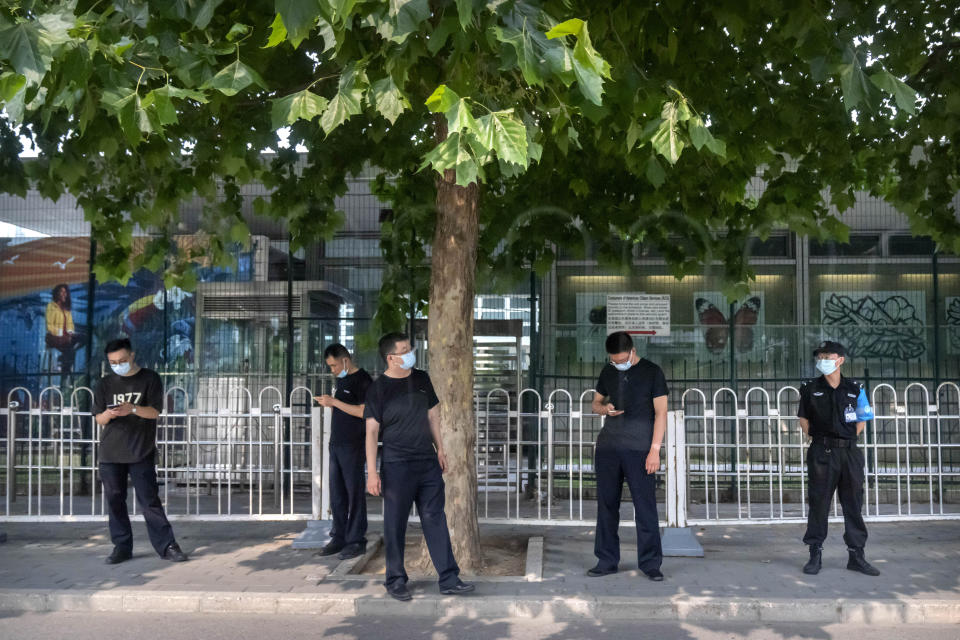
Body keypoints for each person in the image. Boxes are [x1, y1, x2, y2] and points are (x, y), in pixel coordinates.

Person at [363, 332, 475, 601]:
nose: (410, 353)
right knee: (395, 524)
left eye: (410, 348)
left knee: (435, 518)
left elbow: (433, 415)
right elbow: (371, 432)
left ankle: (449, 578)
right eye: (404, 350)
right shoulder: (378, 389)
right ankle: (396, 580)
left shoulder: (422, 378)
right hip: (396, 465)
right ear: (391, 358)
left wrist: (441, 449)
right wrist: (372, 472)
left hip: (427, 462)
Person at [92, 338, 187, 564]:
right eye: (113, 362)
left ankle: (167, 546)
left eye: (122, 360)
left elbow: (154, 412)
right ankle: (121, 547)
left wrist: (132, 408)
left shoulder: (149, 378)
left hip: (140, 451)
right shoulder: (104, 384)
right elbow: (99, 418)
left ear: (132, 356)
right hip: (110, 453)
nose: (118, 364)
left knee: (149, 500)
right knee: (115, 500)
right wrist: (112, 414)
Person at [588, 331, 668, 581]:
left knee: (645, 508)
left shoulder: (652, 372)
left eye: (622, 359)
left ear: (632, 351)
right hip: (608, 449)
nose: (618, 363)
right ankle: (606, 560)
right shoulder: (608, 371)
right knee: (607, 506)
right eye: (614, 360)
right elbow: (595, 403)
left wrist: (655, 450)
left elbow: (661, 413)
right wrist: (605, 409)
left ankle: (651, 563)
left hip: (640, 450)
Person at [798, 340, 879, 576]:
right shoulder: (810, 388)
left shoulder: (855, 388)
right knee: (819, 503)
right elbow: (804, 420)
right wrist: (825, 438)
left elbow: (862, 419)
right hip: (822, 452)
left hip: (849, 453)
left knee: (853, 503)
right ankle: (815, 553)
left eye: (827, 355)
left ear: (840, 360)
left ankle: (857, 555)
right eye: (819, 356)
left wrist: (844, 439)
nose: (822, 359)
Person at [313, 343, 372, 560]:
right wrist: (332, 404)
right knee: (337, 494)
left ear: (345, 360)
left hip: (353, 444)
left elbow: (365, 411)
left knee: (353, 493)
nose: (333, 370)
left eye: (334, 365)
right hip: (336, 443)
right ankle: (339, 536)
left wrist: (334, 402)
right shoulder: (342, 380)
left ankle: (356, 539)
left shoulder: (363, 380)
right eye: (330, 366)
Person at [45, 284, 84, 375]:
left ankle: (64, 358)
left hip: (66, 337)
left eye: (65, 292)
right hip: (53, 337)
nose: (64, 294)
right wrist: (60, 334)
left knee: (84, 338)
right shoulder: (51, 306)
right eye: (62, 291)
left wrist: (70, 332)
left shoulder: (67, 309)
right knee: (69, 350)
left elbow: (70, 324)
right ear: (57, 293)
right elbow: (49, 326)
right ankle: (65, 373)